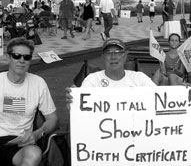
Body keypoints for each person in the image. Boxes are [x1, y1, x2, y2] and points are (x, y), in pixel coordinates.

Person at [0, 37, 58, 166]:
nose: (21, 61)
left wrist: (38, 133)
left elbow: (52, 118)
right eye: (16, 56)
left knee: (33, 154)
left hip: (21, 142)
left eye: (27, 57)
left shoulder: (38, 83)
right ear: (8, 57)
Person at [65, 39, 156, 103]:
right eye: (108, 53)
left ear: (125, 57)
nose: (113, 57)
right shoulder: (92, 80)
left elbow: (158, 99)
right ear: (103, 57)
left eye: (117, 52)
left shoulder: (140, 79)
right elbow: (81, 110)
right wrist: (74, 101)